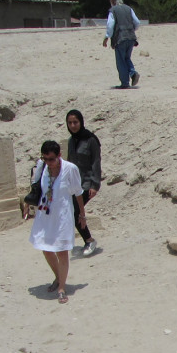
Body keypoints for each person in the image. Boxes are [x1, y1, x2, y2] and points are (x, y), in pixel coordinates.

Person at [22, 141, 84, 305]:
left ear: (59, 156)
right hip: (45, 214)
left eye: (51, 159)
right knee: (46, 249)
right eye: (46, 159)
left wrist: (82, 215)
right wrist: (27, 204)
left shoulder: (70, 169)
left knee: (62, 251)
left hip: (62, 216)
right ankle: (58, 277)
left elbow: (78, 193)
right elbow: (35, 187)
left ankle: (62, 288)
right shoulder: (42, 167)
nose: (48, 162)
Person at [65, 109, 102, 256]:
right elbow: (69, 163)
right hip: (74, 184)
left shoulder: (91, 140)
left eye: (75, 122)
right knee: (71, 211)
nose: (73, 125)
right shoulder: (71, 141)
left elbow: (96, 162)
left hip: (87, 183)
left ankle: (89, 240)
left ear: (81, 122)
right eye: (70, 123)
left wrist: (95, 185)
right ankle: (86, 240)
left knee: (75, 212)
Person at [102, 0, 140, 89]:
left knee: (121, 61)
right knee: (127, 58)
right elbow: (137, 22)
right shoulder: (129, 9)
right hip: (131, 37)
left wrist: (107, 37)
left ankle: (125, 82)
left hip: (120, 38)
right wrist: (131, 30)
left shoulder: (113, 10)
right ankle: (133, 73)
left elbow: (110, 25)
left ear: (113, 2)